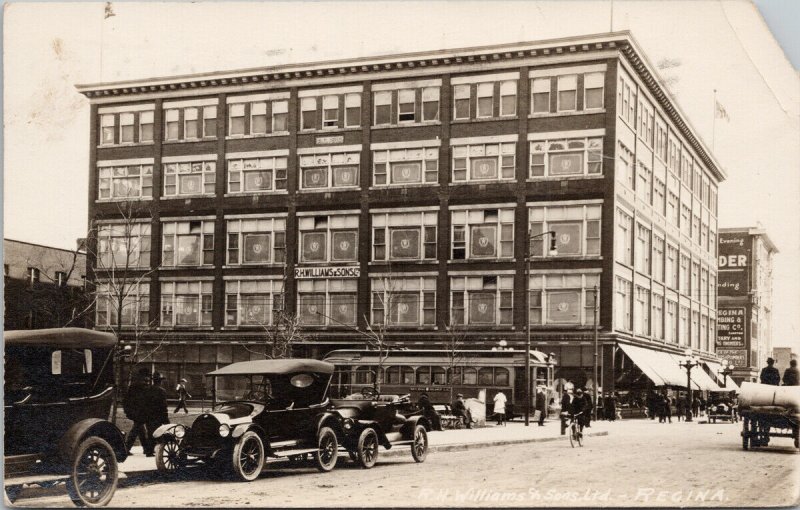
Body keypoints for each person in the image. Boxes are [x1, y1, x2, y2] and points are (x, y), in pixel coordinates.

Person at [124, 368, 153, 455]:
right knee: (136, 430)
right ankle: (127, 448)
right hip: (141, 412)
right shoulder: (142, 387)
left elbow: (126, 400)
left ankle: (145, 448)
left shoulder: (134, 386)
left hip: (136, 412)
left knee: (140, 430)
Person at [145, 372, 169, 457]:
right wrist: (166, 417)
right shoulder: (162, 391)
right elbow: (164, 405)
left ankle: (149, 450)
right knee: (159, 432)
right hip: (158, 415)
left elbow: (145, 404)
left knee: (150, 432)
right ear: (160, 382)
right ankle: (155, 450)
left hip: (148, 415)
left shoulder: (148, 390)